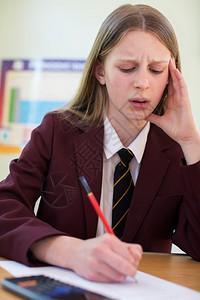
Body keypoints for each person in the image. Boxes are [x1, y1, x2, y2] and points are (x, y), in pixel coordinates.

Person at [0, 4, 200, 284]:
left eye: (156, 70)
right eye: (127, 68)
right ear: (100, 72)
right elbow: (4, 206)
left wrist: (192, 144)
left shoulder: (179, 150)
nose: (142, 83)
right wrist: (70, 251)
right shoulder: (57, 131)